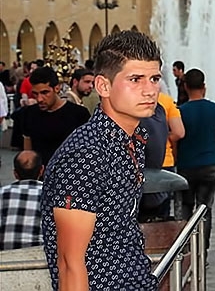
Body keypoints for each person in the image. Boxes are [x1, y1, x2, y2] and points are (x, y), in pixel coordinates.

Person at [40, 30, 162, 290]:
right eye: (135, 79)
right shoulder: (86, 153)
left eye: (154, 79)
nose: (149, 90)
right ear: (103, 86)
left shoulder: (132, 139)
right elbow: (69, 262)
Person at [177, 68, 215, 258]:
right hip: (209, 166)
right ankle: (202, 251)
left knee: (185, 208)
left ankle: (185, 251)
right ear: (204, 86)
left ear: (185, 87)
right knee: (205, 209)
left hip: (185, 167)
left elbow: (176, 139)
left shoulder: (181, 111)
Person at [23, 67, 90, 166]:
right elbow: (28, 151)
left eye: (45, 93)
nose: (39, 99)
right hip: (41, 177)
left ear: (57, 88)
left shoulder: (79, 114)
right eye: (35, 94)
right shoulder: (29, 113)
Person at [139, 92, 185, 221]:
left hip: (140, 170)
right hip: (165, 163)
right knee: (161, 216)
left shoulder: (128, 102)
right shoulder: (166, 101)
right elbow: (179, 132)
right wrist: (162, 137)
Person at [0, 151, 44, 250]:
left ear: (15, 174)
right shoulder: (52, 195)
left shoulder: (2, 193)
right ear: (41, 170)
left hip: (6, 259)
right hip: (41, 259)